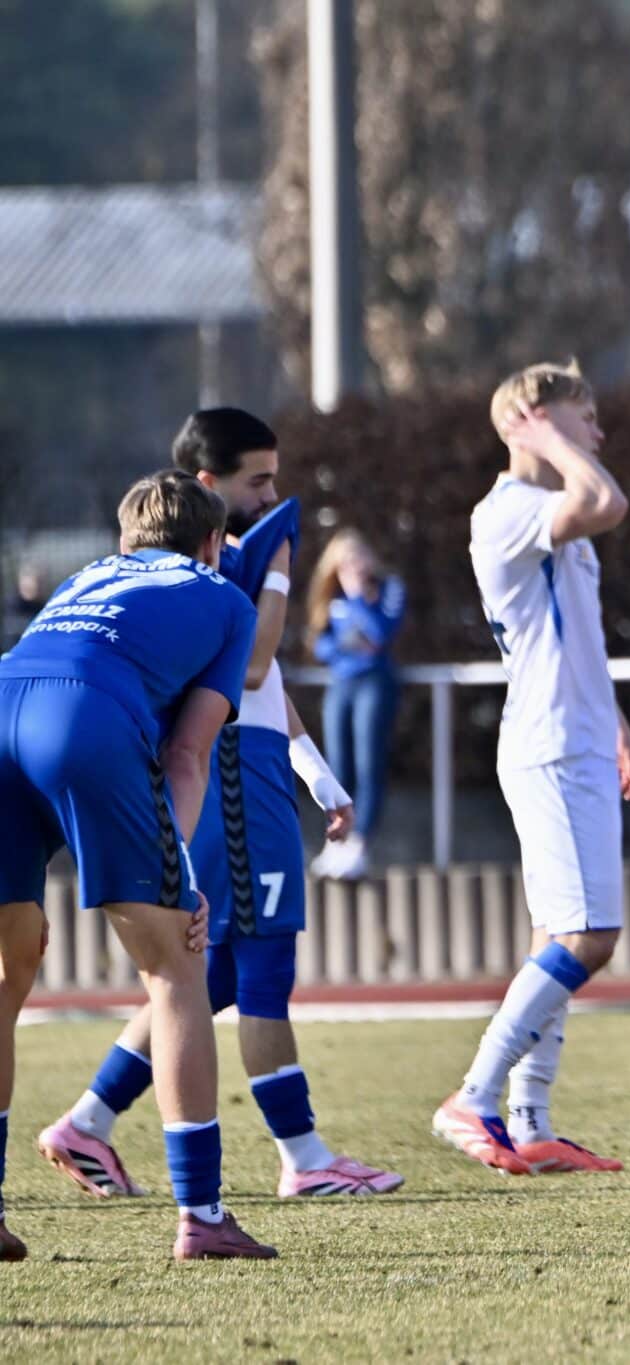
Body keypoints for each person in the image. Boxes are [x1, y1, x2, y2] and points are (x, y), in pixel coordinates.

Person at [38, 409, 397, 1204]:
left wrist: (314, 769)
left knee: (213, 975)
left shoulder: (216, 564)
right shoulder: (221, 568)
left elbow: (258, 684)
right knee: (262, 962)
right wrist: (275, 573)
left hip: (251, 764)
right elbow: (257, 658)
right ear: (209, 487)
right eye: (257, 480)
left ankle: (88, 1119)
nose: (274, 493)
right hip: (232, 776)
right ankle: (305, 1157)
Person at [1, 470, 273, 1260]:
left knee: (2, 974)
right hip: (81, 713)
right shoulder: (227, 597)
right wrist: (183, 878)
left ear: (125, 542)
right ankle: (203, 1215)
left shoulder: (86, 574)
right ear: (214, 544)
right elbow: (186, 755)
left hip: (4, 695)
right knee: (178, 966)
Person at [434, 361, 630, 1176]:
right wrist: (554, 441)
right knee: (590, 936)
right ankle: (475, 1094)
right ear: (532, 417)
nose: (595, 431)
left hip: (583, 739)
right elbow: (607, 500)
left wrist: (618, 723)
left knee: (557, 931)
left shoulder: (549, 509)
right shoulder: (508, 510)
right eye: (581, 415)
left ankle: (529, 1117)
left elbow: (574, 640)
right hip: (551, 747)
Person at [307, 530, 405, 880]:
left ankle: (359, 842)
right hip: (341, 684)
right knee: (337, 767)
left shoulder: (387, 587)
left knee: (368, 764)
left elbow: (381, 634)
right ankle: (336, 840)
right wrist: (350, 645)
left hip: (374, 684)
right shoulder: (331, 594)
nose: (352, 568)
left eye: (357, 559)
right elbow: (321, 644)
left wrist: (359, 599)